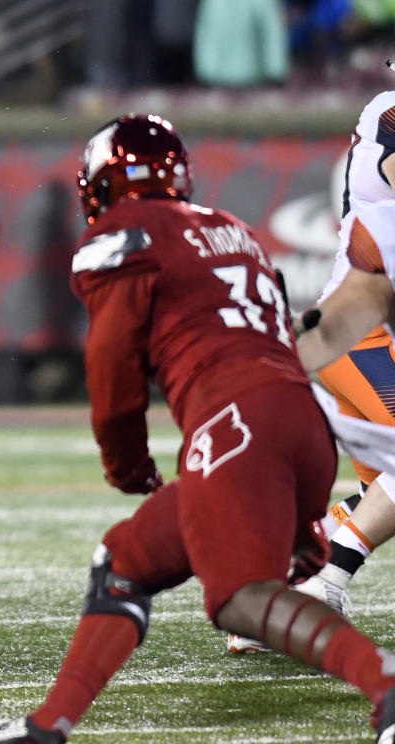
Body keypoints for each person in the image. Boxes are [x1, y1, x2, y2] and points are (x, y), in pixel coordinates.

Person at [0, 115, 395, 744]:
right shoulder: (233, 229)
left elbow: (112, 368)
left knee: (239, 600)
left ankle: (383, 682)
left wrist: (127, 461)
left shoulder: (121, 236)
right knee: (125, 560)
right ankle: (46, 727)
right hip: (302, 419)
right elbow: (274, 327)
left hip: (238, 419)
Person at [228, 85, 395, 655]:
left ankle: (275, 593)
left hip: (366, 334)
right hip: (359, 334)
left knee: (382, 492)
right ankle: (324, 584)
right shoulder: (389, 112)